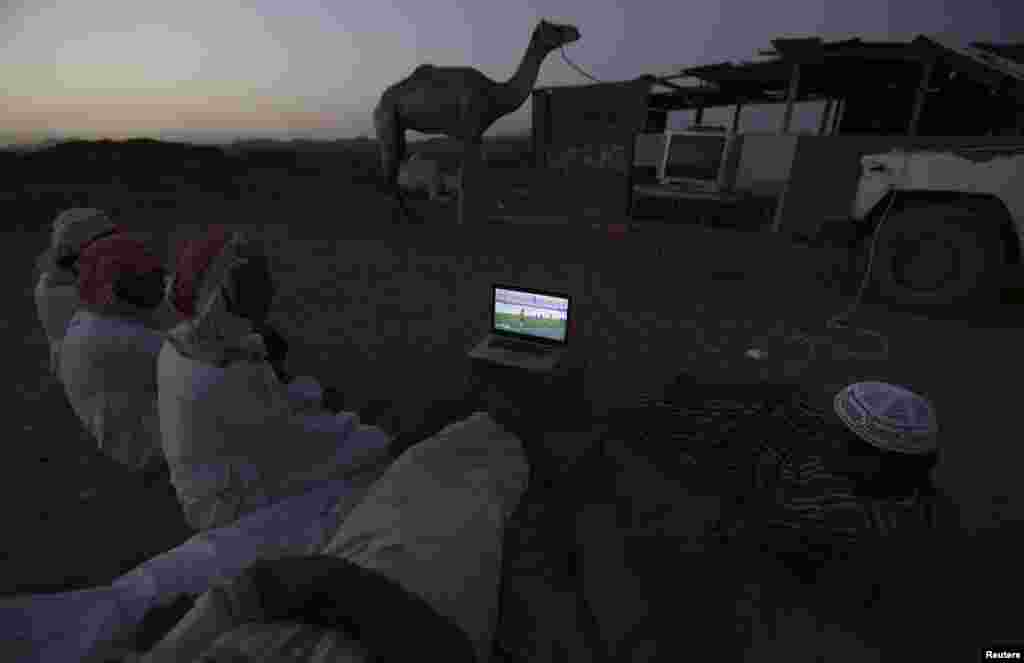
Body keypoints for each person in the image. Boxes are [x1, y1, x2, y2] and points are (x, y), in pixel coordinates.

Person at [137, 371, 534, 663]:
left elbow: (271, 588)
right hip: (404, 576)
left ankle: (484, 421)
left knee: (425, 475)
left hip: (363, 580)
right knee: (454, 486)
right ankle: (497, 424)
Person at [157, 225, 392, 531]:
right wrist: (369, 437)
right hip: (227, 501)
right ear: (217, 300)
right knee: (367, 471)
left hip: (235, 467)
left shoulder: (180, 342)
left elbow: (268, 402)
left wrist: (315, 400)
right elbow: (297, 447)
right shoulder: (219, 380)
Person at [57, 231, 174, 479]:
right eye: (139, 283)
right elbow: (191, 353)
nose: (152, 291)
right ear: (112, 292)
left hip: (121, 425)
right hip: (145, 446)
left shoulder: (88, 318)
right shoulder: (117, 337)